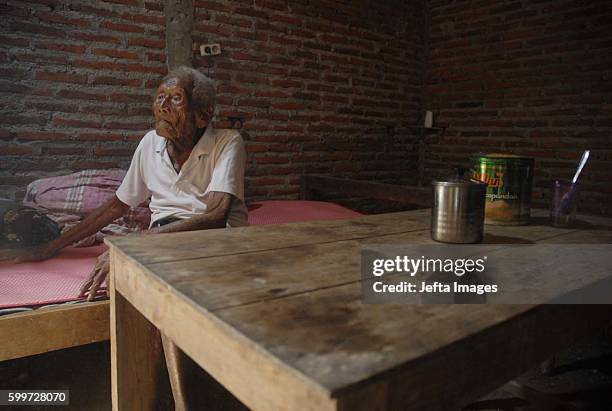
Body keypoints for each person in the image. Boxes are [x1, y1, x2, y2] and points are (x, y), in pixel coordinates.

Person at [0, 66, 248, 300]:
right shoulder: (150, 143)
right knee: (135, 279)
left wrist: (131, 246)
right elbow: (116, 206)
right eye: (160, 97)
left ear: (203, 116)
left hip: (213, 239)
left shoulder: (227, 142)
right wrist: (50, 247)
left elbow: (216, 216)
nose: (163, 107)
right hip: (163, 236)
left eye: (176, 99)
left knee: (154, 281)